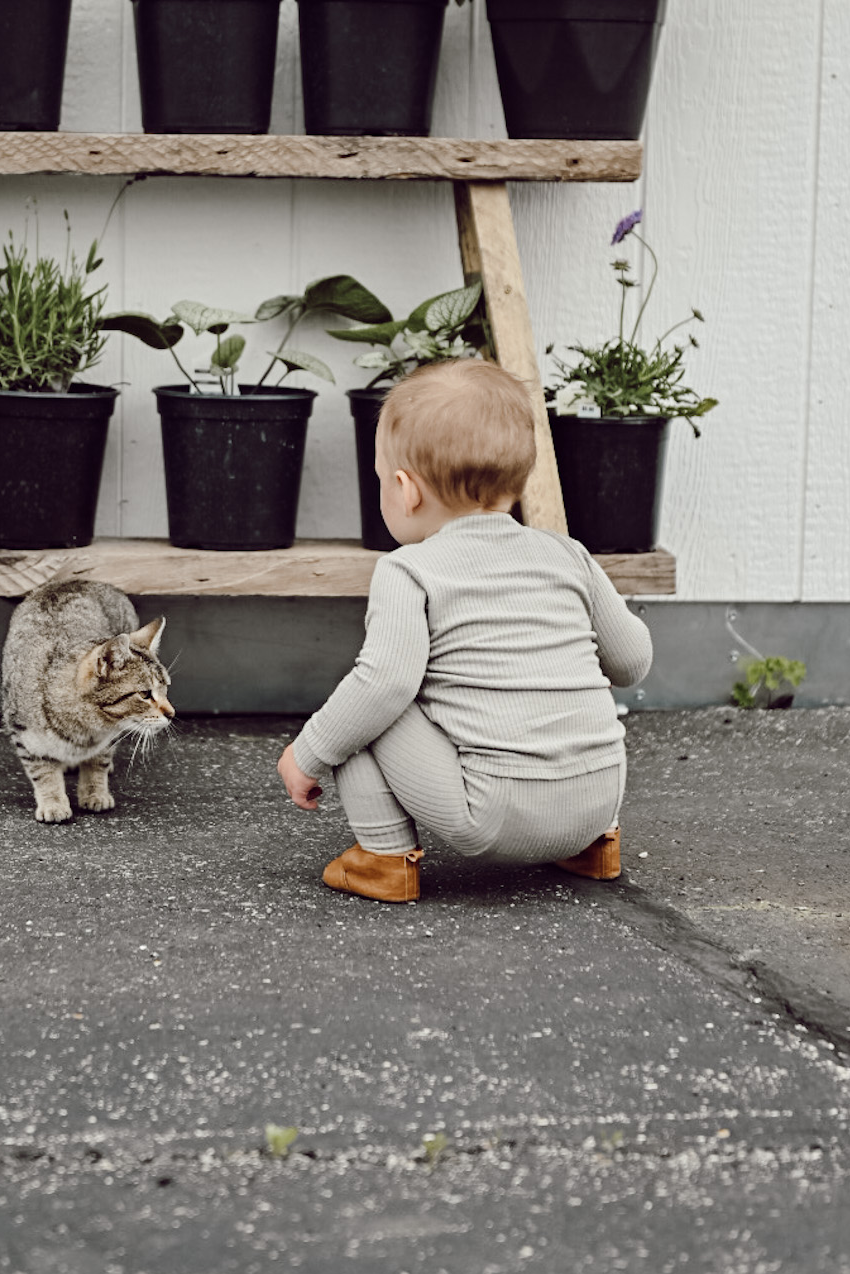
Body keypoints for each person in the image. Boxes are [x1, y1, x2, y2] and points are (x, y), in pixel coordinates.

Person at [275, 359, 654, 902]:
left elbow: (382, 687)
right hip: (597, 797)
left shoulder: (408, 568)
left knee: (367, 703)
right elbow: (632, 661)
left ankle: (383, 859)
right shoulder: (567, 555)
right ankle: (594, 847)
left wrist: (307, 751)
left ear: (406, 491)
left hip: (492, 813)